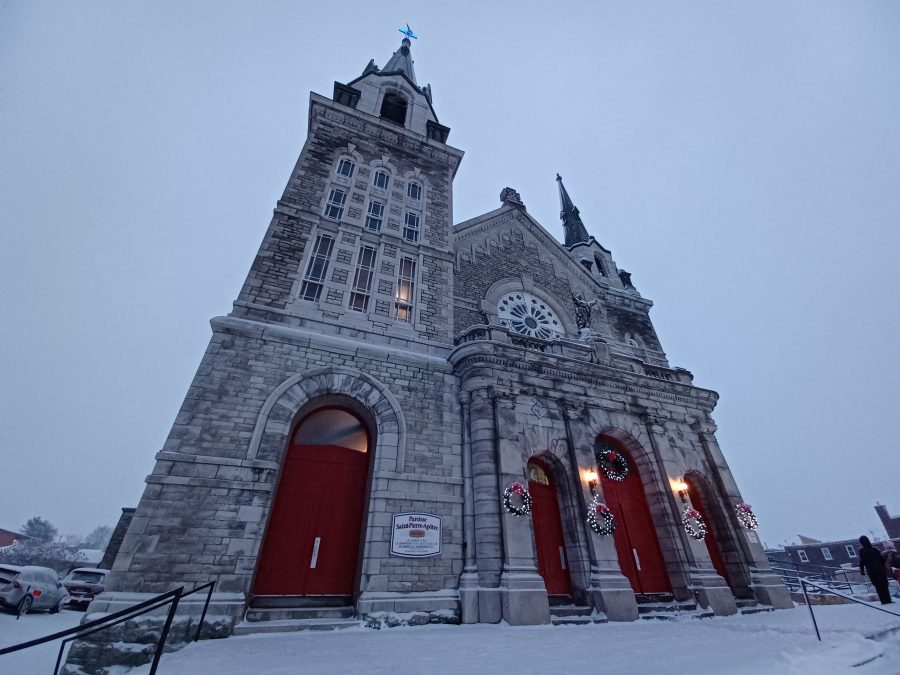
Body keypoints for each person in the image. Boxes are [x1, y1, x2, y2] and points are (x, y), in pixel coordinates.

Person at [858, 535, 893, 604]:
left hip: (871, 571)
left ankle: (883, 600)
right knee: (884, 584)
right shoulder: (875, 549)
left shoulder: (862, 551)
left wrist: (861, 570)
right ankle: (888, 599)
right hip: (880, 569)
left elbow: (862, 561)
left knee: (877, 585)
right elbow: (882, 559)